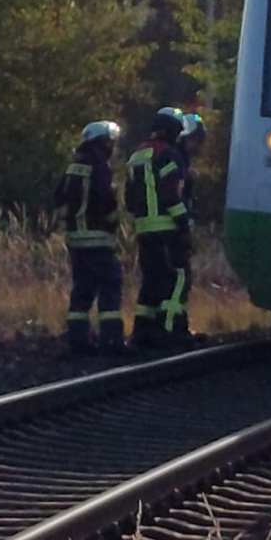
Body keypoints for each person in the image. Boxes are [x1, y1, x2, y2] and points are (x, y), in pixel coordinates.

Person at [54, 120, 125, 356]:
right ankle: (112, 341)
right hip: (98, 239)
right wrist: (115, 222)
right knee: (110, 286)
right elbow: (106, 201)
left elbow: (59, 200)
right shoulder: (100, 167)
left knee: (82, 291)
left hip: (75, 241)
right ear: (103, 142)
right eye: (111, 142)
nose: (112, 147)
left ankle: (78, 341)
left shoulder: (73, 166)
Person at [126, 110, 192, 348]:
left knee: (152, 280)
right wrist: (184, 224)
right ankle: (170, 330)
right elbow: (170, 195)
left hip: (144, 228)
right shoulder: (169, 155)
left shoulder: (136, 155)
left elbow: (129, 199)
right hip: (167, 228)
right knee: (178, 278)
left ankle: (142, 332)